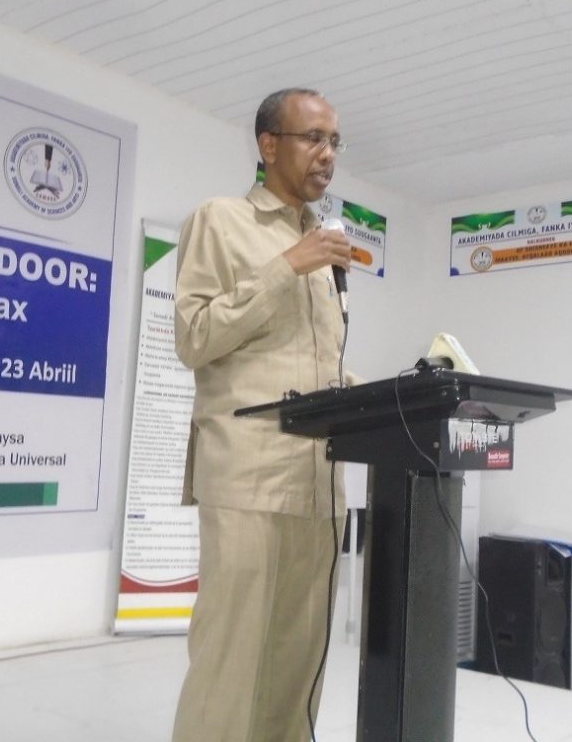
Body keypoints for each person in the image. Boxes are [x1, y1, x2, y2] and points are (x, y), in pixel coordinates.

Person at [171, 88, 352, 742]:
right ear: (268, 145)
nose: (327, 154)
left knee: (297, 666)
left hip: (319, 486)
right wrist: (285, 268)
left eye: (335, 142)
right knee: (232, 662)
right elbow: (194, 338)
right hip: (249, 477)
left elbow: (315, 366)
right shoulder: (220, 221)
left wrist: (392, 392)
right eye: (313, 138)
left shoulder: (321, 245)